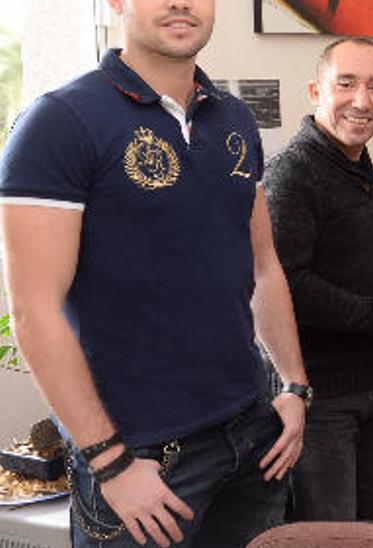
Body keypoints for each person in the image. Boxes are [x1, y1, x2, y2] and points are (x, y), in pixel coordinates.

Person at [0, 0, 309, 546]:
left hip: (251, 437)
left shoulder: (234, 118)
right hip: (145, 461)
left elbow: (262, 267)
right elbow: (33, 312)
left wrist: (294, 387)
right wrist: (110, 463)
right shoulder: (58, 122)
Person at [262, 37, 373, 524]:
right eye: (346, 84)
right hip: (319, 399)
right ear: (314, 90)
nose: (363, 101)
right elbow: (289, 287)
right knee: (332, 534)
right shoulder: (293, 172)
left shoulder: (355, 163)